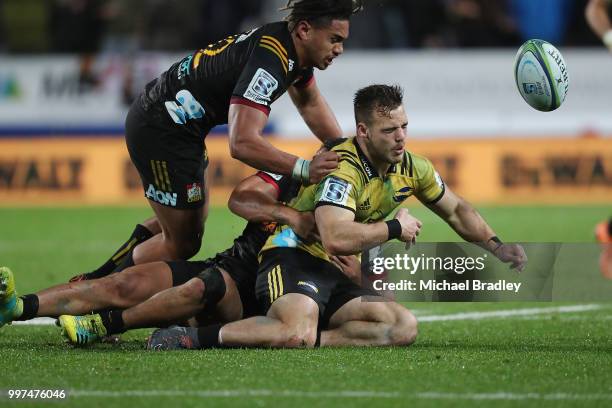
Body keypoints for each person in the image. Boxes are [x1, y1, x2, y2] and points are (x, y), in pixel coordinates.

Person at [148, 84, 528, 350]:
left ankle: (308, 337)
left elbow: (458, 210)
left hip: (334, 268)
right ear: (363, 131)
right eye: (390, 129)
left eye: (404, 127)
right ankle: (192, 338)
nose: (401, 138)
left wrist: (496, 245)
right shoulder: (343, 168)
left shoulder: (413, 168)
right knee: (293, 330)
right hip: (293, 256)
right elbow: (335, 238)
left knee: (402, 327)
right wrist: (396, 226)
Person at [73, 0, 363, 283]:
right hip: (162, 129)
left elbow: (310, 103)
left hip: (175, 126)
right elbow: (243, 143)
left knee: (184, 222)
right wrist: (304, 168)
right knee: (182, 243)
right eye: (334, 39)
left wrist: (347, 151)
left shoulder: (289, 50)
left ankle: (98, 279)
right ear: (304, 30)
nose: (339, 49)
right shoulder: (270, 63)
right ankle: (99, 293)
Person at [0, 169, 312, 336]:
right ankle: (17, 307)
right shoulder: (293, 177)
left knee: (208, 285)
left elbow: (360, 279)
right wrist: (290, 214)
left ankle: (104, 325)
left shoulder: (351, 209)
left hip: (251, 301)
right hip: (225, 267)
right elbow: (239, 199)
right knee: (124, 284)